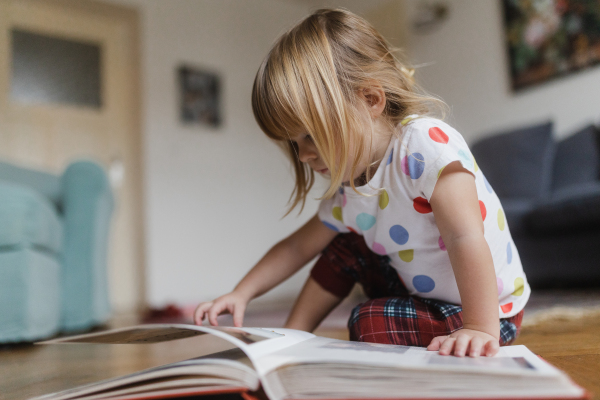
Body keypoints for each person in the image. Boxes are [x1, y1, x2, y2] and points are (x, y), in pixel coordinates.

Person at [194, 8, 530, 358]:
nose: (303, 155)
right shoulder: (350, 188)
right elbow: (295, 248)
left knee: (368, 322)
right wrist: (241, 292)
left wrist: (479, 327)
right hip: (424, 294)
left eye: (309, 136)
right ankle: (291, 338)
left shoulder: (424, 147)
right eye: (295, 143)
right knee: (347, 244)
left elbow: (465, 237)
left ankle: (475, 326)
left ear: (370, 99)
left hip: (489, 309)